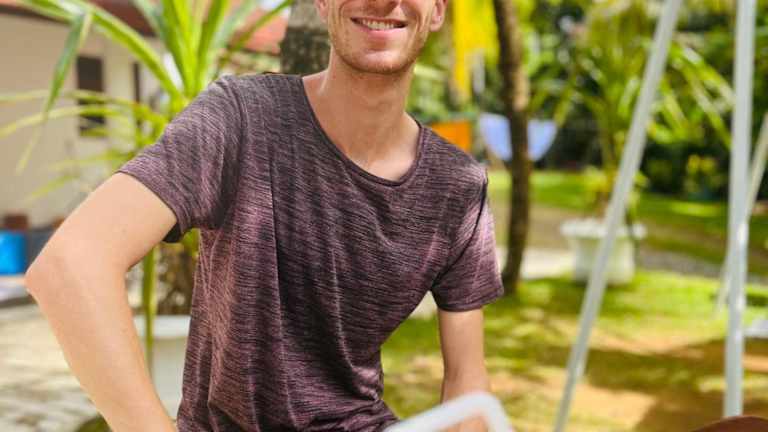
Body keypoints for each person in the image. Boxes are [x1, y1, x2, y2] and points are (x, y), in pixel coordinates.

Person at [24, 0, 505, 429]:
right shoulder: (241, 118)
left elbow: (467, 382)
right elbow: (71, 266)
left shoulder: (458, 186)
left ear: (439, 10)